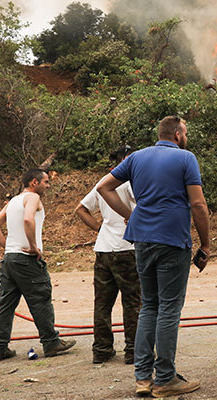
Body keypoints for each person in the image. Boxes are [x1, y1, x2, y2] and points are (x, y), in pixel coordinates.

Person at [97, 116, 211, 398]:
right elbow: (197, 204)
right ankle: (165, 379)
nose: (186, 136)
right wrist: (206, 245)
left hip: (142, 240)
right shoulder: (186, 159)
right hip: (172, 239)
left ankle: (143, 379)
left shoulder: (136, 158)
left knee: (149, 306)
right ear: (177, 134)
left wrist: (130, 215)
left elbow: (104, 187)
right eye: (186, 132)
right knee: (170, 309)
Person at [0, 169, 76, 362]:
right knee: (41, 298)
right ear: (34, 182)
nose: (48, 185)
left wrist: (9, 247)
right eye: (45, 182)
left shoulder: (13, 202)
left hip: (10, 259)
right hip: (26, 260)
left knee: (5, 304)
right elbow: (28, 219)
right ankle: (51, 342)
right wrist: (33, 247)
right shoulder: (33, 198)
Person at [75, 145, 140, 364]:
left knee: (102, 303)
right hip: (127, 249)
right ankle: (133, 350)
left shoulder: (103, 181)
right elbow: (144, 207)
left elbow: (81, 209)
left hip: (103, 249)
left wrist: (100, 229)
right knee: (133, 302)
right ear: (125, 160)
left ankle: (101, 350)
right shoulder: (131, 182)